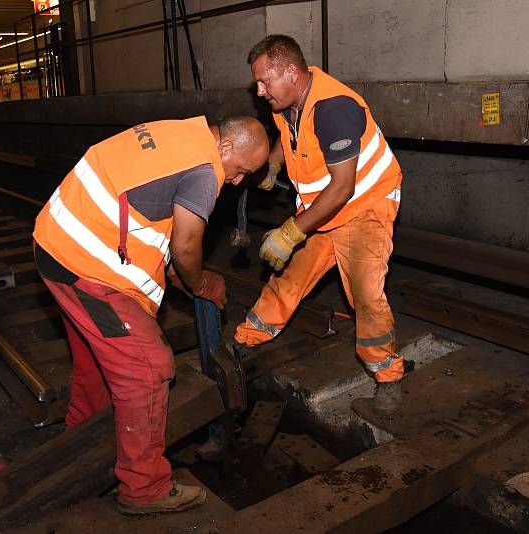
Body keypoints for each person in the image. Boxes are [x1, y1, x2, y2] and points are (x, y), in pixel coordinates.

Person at [32, 116, 269, 514]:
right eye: (241, 170)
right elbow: (187, 244)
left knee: (96, 363)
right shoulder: (205, 170)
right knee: (147, 368)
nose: (237, 181)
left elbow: (148, 204)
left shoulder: (182, 132)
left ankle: (76, 443)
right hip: (86, 265)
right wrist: (201, 283)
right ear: (226, 149)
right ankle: (144, 488)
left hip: (58, 243)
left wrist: (174, 273)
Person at [233, 35, 405, 414]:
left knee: (365, 293)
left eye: (264, 81)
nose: (259, 91)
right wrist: (275, 164)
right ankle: (248, 337)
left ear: (291, 73)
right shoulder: (288, 101)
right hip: (323, 209)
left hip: (364, 207)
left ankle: (387, 374)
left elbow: (343, 187)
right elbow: (286, 135)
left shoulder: (333, 109)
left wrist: (291, 231)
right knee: (290, 274)